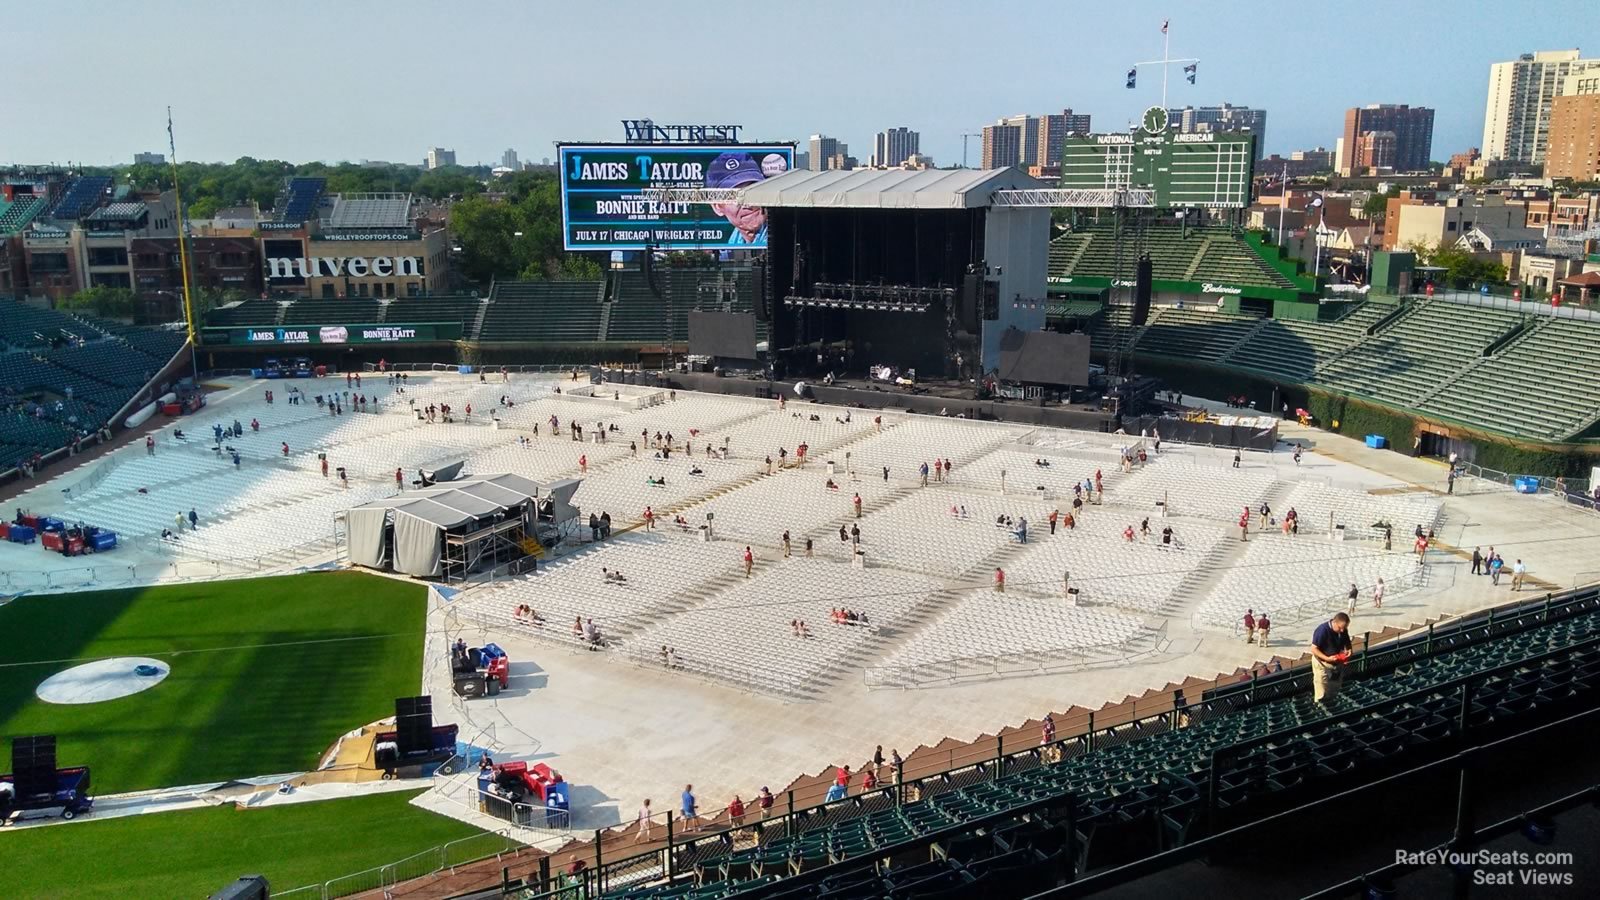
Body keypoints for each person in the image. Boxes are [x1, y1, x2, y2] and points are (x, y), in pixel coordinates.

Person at [1309, 612, 1355, 703]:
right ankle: (1320, 707)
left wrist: (1349, 649)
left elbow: (1347, 641)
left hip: (1336, 664)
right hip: (1322, 663)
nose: (1342, 630)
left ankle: (1332, 703)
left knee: (1335, 687)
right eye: (1340, 628)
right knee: (1322, 689)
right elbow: (1314, 649)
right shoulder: (1322, 630)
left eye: (1344, 628)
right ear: (1334, 622)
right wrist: (1327, 658)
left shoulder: (1343, 630)